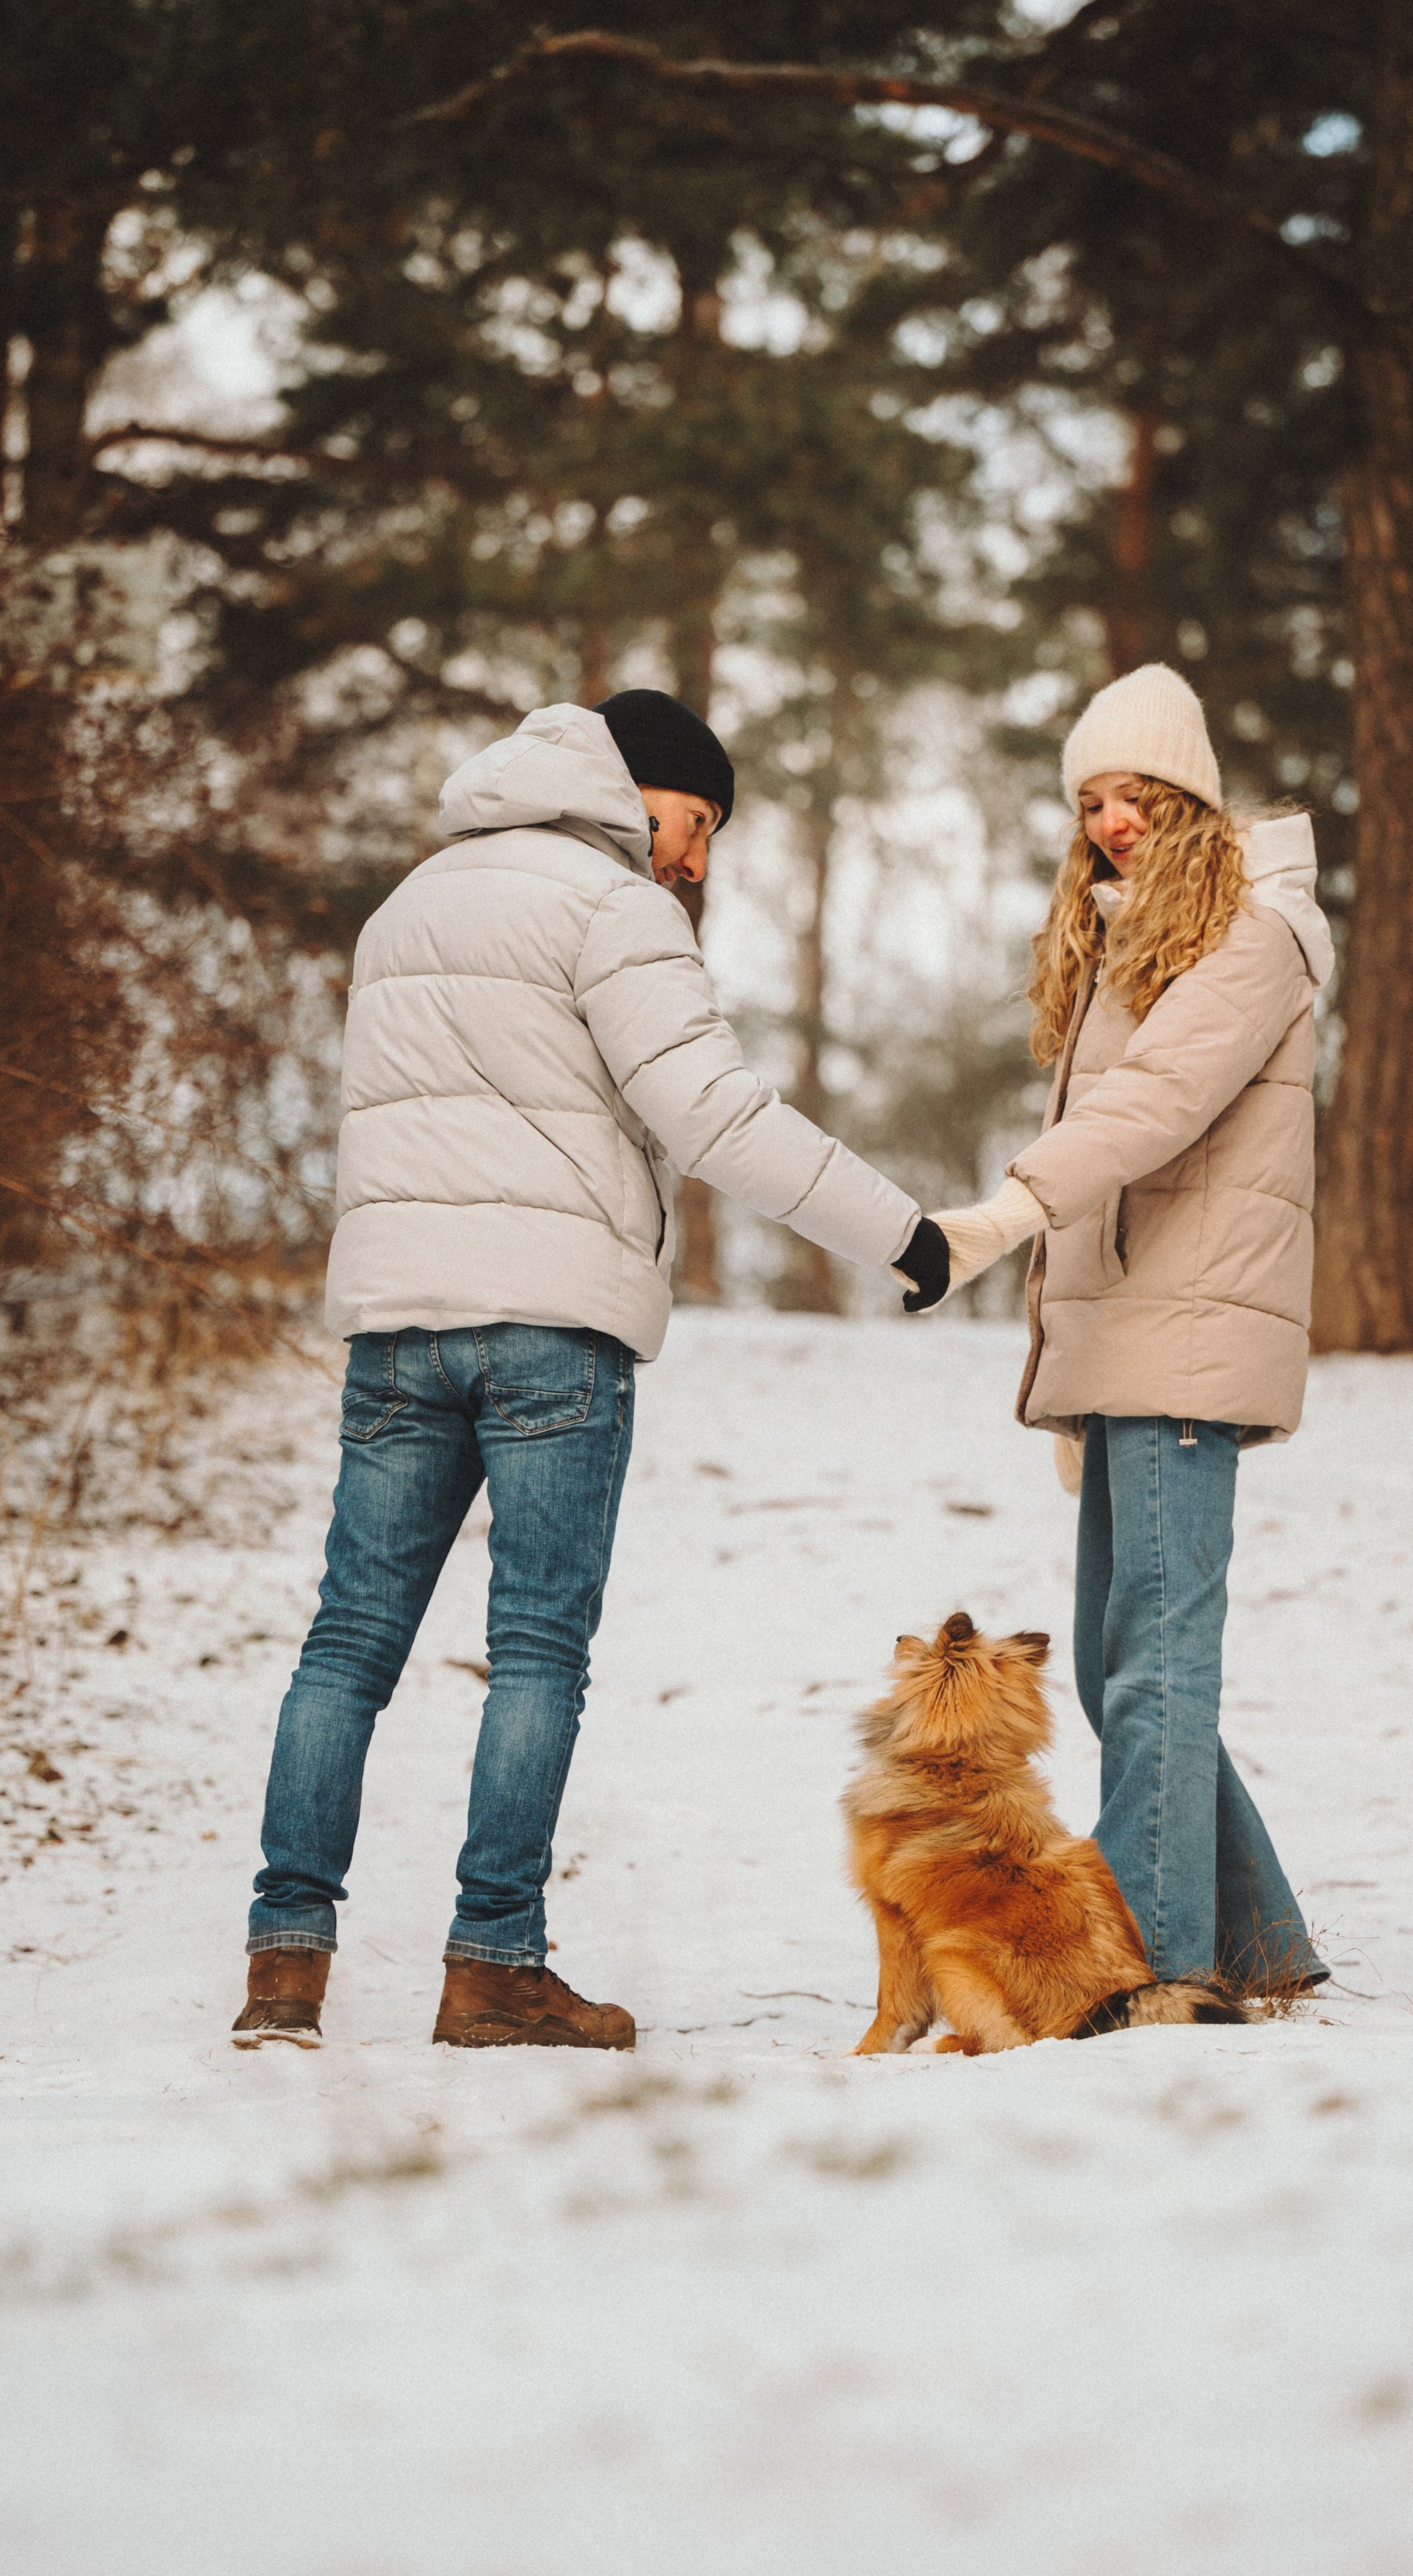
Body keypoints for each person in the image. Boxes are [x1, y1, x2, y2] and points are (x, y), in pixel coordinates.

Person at [236, 691, 950, 2055]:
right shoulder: (612, 909)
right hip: (552, 1331)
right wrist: (900, 1233)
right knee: (538, 1654)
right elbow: (713, 1112)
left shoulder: (412, 906)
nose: (695, 862)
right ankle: (493, 1964)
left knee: (346, 1645)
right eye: (695, 825)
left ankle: (285, 1966)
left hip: (398, 1326)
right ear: (638, 790)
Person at [916, 664, 1331, 1998]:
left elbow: (1153, 1107)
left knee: (1154, 1672)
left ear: (1193, 798)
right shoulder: (1139, 940)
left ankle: (1153, 1966)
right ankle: (1265, 1950)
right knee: (1119, 1675)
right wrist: (1079, 1380)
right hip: (1139, 1350)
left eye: (1138, 793)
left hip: (1188, 1348)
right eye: (1091, 799)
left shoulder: (1248, 939)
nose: (1111, 820)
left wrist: (997, 1219)